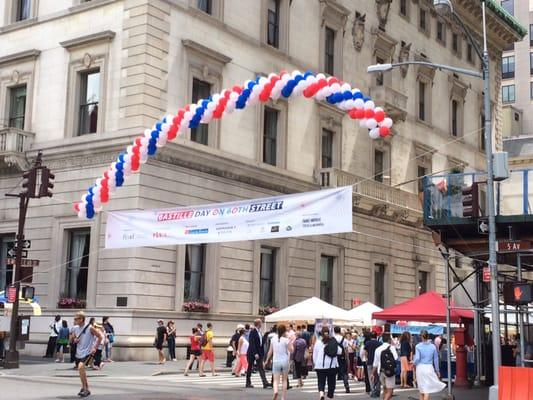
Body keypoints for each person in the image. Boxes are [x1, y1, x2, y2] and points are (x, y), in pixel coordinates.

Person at [71, 311, 104, 398]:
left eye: (76, 319)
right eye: (74, 318)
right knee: (81, 371)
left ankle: (86, 389)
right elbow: (73, 337)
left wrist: (95, 348)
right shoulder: (75, 328)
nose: (75, 320)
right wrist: (74, 340)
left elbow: (100, 337)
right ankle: (84, 387)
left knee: (81, 367)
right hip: (79, 352)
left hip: (88, 352)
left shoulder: (90, 328)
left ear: (82, 319)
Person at [413, 330, 446, 400]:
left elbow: (417, 358)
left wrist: (414, 363)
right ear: (428, 336)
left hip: (420, 368)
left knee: (421, 389)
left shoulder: (418, 346)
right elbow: (436, 360)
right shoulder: (433, 347)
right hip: (429, 368)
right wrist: (437, 371)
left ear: (420, 336)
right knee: (426, 390)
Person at [265, 324, 294, 400]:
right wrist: (290, 342)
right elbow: (291, 350)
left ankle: (275, 391)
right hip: (285, 360)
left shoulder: (273, 339)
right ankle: (283, 397)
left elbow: (270, 351)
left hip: (276, 361)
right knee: (284, 380)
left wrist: (267, 360)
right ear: (284, 331)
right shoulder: (286, 340)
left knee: (275, 380)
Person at [313, 325, 341, 400]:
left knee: (321, 382)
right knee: (331, 383)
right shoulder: (332, 341)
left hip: (320, 366)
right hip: (331, 366)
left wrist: (316, 363)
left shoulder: (318, 342)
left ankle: (321, 394)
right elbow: (339, 351)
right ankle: (330, 396)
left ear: (321, 333)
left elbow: (314, 355)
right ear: (329, 333)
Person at [246, 318, 271, 389]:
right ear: (258, 324)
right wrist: (255, 353)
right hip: (252, 353)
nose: (262, 324)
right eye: (261, 323)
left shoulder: (259, 332)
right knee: (250, 367)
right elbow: (252, 343)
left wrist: (266, 335)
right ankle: (248, 382)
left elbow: (261, 342)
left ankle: (265, 383)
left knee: (261, 368)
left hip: (259, 352)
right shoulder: (252, 332)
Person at [373, 333, 398, 400]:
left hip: (380, 371)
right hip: (389, 371)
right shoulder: (392, 348)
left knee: (384, 389)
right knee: (390, 391)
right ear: (389, 339)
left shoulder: (377, 349)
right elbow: (396, 358)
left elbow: (375, 363)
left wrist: (372, 373)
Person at [364, 331, 382, 397]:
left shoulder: (367, 343)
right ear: (376, 336)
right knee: (377, 377)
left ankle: (373, 391)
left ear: (370, 336)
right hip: (377, 362)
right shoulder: (380, 343)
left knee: (370, 377)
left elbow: (365, 352)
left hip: (370, 362)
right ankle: (378, 390)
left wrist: (366, 358)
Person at [333, 326, 350, 393]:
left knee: (333, 373)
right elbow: (346, 350)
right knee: (344, 373)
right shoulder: (344, 339)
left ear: (334, 331)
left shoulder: (332, 339)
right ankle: (347, 386)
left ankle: (332, 387)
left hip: (333, 357)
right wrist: (347, 358)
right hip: (342, 357)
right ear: (340, 331)